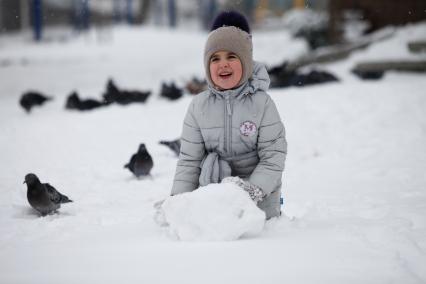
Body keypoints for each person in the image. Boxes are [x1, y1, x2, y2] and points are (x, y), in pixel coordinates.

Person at [171, 10, 287, 219]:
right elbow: (189, 161)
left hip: (258, 205)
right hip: (212, 202)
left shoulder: (263, 104)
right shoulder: (199, 107)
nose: (223, 63)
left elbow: (273, 157)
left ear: (246, 62)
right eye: (215, 58)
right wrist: (178, 204)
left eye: (231, 56)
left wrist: (252, 192)